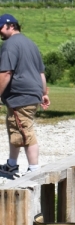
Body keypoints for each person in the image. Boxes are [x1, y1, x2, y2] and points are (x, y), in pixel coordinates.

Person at [0, 13, 50, 177]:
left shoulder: (10, 45)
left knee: (24, 131)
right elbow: (40, 73)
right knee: (16, 128)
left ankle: (34, 170)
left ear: (11, 26)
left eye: (1, 28)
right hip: (30, 94)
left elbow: (6, 73)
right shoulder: (30, 44)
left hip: (20, 95)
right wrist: (43, 93)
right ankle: (11, 165)